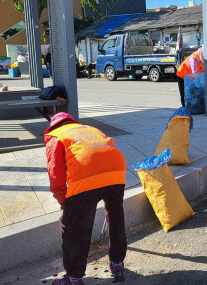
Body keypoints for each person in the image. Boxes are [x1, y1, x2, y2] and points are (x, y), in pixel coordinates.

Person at [44, 112, 128, 285]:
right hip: (117, 172)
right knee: (116, 217)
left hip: (87, 176)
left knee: (76, 229)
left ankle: (73, 278)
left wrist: (65, 207)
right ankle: (118, 263)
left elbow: (56, 176)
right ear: (71, 121)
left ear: (53, 125)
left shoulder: (55, 136)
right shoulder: (89, 128)